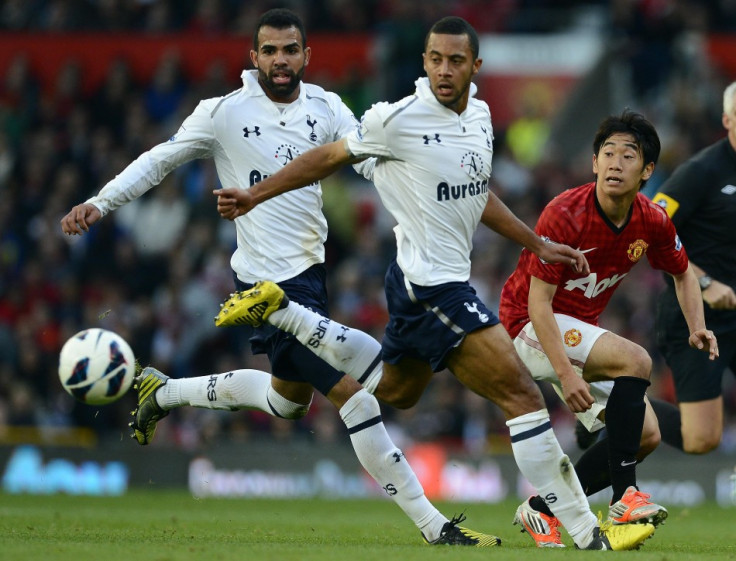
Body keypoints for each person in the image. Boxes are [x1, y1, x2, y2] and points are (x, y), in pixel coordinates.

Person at [212, 16, 656, 551]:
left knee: (397, 390)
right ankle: (587, 534)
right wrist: (255, 197)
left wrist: (534, 243)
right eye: (436, 60)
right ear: (424, 62)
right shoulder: (396, 119)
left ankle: (286, 312)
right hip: (432, 287)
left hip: (428, 283)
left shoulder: (481, 118)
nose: (445, 70)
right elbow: (327, 157)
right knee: (522, 396)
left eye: (456, 61)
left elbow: (477, 195)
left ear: (476, 67)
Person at [60, 9, 501, 547]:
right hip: (264, 291)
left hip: (312, 278)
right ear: (254, 58)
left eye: (290, 50)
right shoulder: (222, 113)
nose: (280, 60)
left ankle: (164, 391)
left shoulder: (327, 107)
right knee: (355, 397)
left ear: (306, 56)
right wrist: (99, 202)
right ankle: (435, 528)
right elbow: (160, 160)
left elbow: (373, 160)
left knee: (286, 402)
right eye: (269, 51)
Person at [497, 110, 718, 547]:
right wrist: (566, 374)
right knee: (636, 359)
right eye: (608, 153)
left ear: (647, 170)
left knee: (646, 435)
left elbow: (683, 273)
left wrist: (698, 326)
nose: (616, 163)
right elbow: (538, 305)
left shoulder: (651, 219)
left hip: (574, 328)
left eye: (628, 155)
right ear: (594, 162)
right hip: (525, 325)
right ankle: (625, 497)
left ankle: (542, 510)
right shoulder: (564, 213)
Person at [649, 81, 736, 454]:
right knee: (701, 440)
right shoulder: (702, 172)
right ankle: (619, 409)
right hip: (698, 315)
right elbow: (652, 233)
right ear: (727, 120)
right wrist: (703, 281)